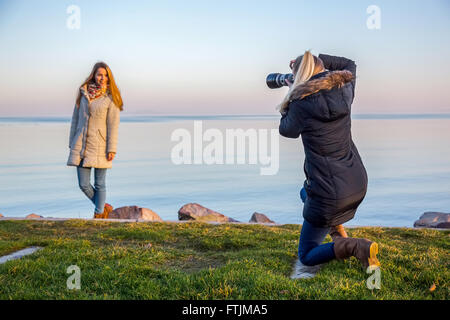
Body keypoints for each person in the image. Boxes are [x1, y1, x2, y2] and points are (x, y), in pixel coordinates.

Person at [279, 50, 380, 270]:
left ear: (300, 77)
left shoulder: (300, 104)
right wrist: (315, 59)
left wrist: (291, 93)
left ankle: (355, 247)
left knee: (306, 255)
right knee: (304, 193)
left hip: (329, 195)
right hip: (357, 183)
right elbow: (349, 63)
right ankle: (340, 239)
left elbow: (285, 130)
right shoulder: (345, 88)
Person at [67, 62, 123, 219]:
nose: (102, 78)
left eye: (105, 75)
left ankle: (98, 215)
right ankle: (104, 207)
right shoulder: (83, 94)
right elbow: (75, 120)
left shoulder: (111, 99)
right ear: (94, 75)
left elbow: (113, 125)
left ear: (109, 78)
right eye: (99, 75)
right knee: (83, 184)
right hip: (81, 145)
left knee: (100, 184)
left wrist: (111, 148)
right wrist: (72, 142)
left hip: (101, 145)